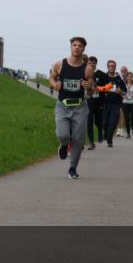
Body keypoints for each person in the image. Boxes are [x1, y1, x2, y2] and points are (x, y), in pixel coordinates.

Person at [48, 37, 94, 179]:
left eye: (80, 46)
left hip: (79, 107)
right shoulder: (60, 64)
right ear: (70, 47)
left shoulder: (87, 69)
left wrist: (88, 87)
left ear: (83, 49)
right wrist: (54, 85)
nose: (77, 48)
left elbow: (91, 91)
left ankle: (72, 168)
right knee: (63, 134)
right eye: (74, 45)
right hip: (63, 105)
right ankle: (63, 144)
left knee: (79, 140)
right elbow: (51, 78)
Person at [97, 59, 127, 147]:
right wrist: (103, 92)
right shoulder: (104, 77)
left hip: (116, 104)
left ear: (115, 67)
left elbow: (125, 91)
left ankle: (109, 140)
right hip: (105, 103)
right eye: (110, 66)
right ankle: (106, 134)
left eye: (113, 66)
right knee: (104, 123)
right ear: (107, 67)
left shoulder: (119, 79)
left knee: (113, 123)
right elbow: (98, 88)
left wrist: (120, 91)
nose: (111, 67)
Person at [85, 57, 105, 150]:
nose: (91, 64)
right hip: (89, 100)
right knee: (89, 122)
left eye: (93, 63)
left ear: (96, 64)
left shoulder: (101, 74)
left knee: (98, 121)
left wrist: (100, 88)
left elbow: (108, 86)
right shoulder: (85, 73)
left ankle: (100, 132)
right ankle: (91, 142)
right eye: (89, 63)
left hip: (99, 101)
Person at [121, 71, 133, 139]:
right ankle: (128, 133)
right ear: (126, 77)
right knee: (127, 118)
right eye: (128, 76)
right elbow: (120, 92)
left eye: (131, 76)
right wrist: (122, 96)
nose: (129, 78)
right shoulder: (123, 84)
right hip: (125, 103)